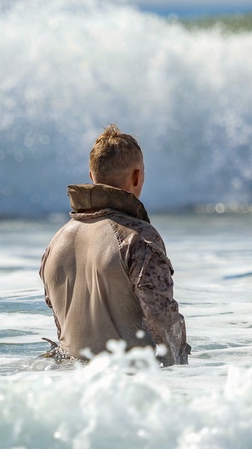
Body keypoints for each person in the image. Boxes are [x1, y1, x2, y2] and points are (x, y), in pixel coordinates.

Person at [39, 124, 190, 367]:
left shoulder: (55, 244)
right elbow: (162, 319)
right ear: (137, 176)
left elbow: (63, 333)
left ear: (91, 176)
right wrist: (184, 376)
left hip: (71, 386)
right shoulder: (138, 238)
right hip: (129, 385)